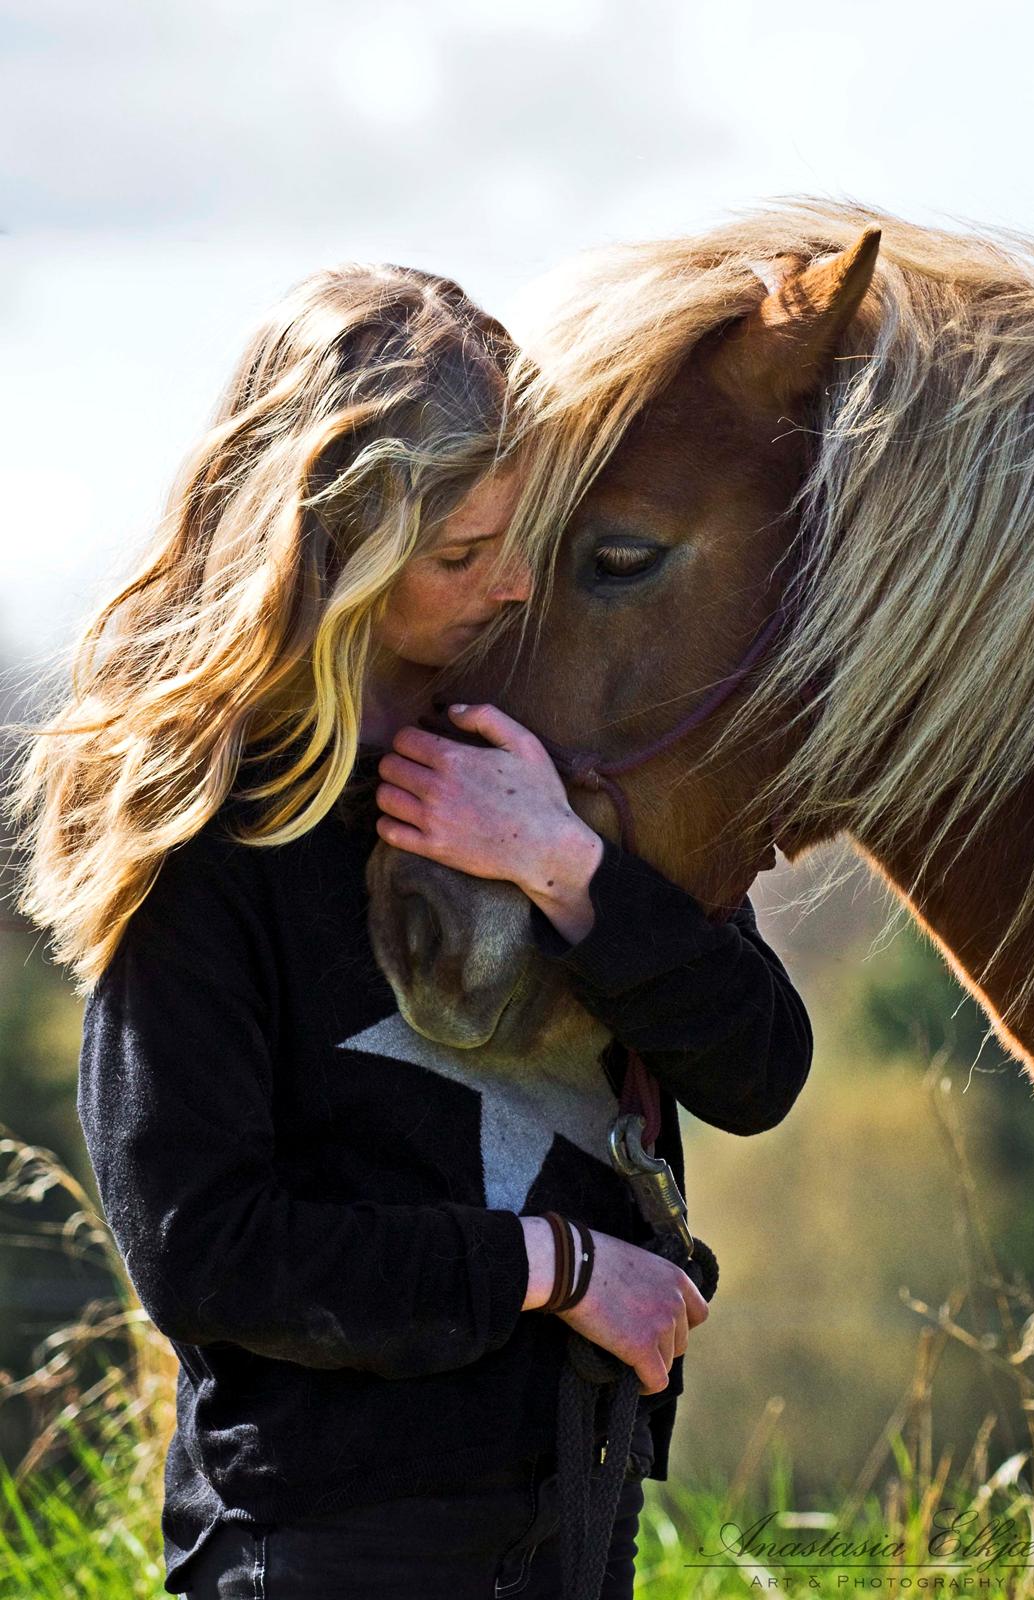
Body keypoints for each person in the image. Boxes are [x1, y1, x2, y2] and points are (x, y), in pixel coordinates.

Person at [6, 261, 814, 1599]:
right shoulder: (209, 835)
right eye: (457, 556)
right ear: (332, 548)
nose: (508, 588)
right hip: (327, 1543)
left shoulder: (535, 761)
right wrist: (550, 1267)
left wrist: (565, 870)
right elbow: (204, 1251)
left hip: (577, 1508)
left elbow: (760, 1070)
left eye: (524, 542)